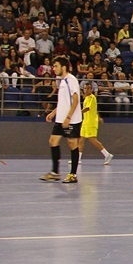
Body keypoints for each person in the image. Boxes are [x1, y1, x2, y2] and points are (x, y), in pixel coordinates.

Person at [40, 56, 84, 184]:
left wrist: (69, 117)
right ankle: (55, 172)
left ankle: (73, 174)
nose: (54, 69)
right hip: (60, 118)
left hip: (71, 119)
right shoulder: (62, 81)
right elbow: (63, 101)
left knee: (72, 143)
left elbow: (75, 99)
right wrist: (53, 112)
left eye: (56, 66)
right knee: (53, 141)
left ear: (63, 67)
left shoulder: (71, 80)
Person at [77, 82, 114, 165]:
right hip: (85, 122)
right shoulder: (86, 98)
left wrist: (77, 113)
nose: (86, 90)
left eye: (88, 88)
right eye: (85, 88)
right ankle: (78, 159)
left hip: (91, 122)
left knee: (92, 140)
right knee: (81, 140)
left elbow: (87, 108)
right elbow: (95, 109)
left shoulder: (91, 97)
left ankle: (107, 154)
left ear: (91, 89)